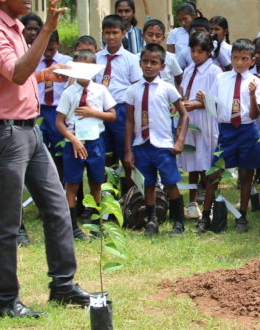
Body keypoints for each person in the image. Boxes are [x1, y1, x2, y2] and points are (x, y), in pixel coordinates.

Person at [0, 0, 90, 319]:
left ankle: (63, 286)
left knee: (56, 209)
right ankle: (6, 299)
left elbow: (18, 79)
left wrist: (44, 76)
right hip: (6, 134)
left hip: (29, 131)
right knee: (7, 222)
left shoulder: (15, 27)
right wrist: (49, 29)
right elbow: (17, 70)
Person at [200, 39, 260, 233]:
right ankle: (205, 216)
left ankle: (242, 216)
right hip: (226, 130)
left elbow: (255, 114)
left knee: (246, 174)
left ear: (252, 60)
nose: (239, 63)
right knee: (215, 173)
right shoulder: (221, 78)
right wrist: (203, 100)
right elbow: (212, 105)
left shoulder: (255, 81)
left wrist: (252, 96)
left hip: (247, 130)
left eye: (244, 59)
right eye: (235, 58)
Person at [124, 43, 189, 236]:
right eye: (145, 61)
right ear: (140, 63)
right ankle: (152, 220)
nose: (149, 65)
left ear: (162, 66)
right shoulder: (132, 90)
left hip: (163, 145)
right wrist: (128, 150)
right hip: (142, 145)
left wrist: (180, 140)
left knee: (171, 183)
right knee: (148, 184)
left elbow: (184, 115)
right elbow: (128, 121)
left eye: (154, 62)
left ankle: (179, 222)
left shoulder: (167, 88)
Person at [56, 50, 117, 240]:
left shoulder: (100, 91)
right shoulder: (69, 92)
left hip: (94, 142)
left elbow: (113, 115)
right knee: (72, 184)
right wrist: (72, 139)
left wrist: (94, 113)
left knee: (96, 183)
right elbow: (59, 121)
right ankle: (72, 227)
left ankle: (96, 225)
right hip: (74, 143)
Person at [178, 32, 223, 226]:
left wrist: (197, 104)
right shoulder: (189, 69)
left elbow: (215, 102)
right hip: (189, 119)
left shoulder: (214, 72)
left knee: (206, 160)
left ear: (209, 52)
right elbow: (183, 91)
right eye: (193, 51)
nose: (195, 55)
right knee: (192, 159)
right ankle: (192, 202)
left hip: (205, 119)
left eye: (200, 51)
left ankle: (208, 203)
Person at [95, 14, 141, 178]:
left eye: (115, 32)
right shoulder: (97, 57)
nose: (111, 36)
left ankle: (128, 193)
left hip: (121, 109)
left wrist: (134, 116)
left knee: (126, 153)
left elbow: (136, 87)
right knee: (104, 153)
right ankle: (107, 192)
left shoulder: (131, 59)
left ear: (123, 33)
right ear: (102, 34)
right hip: (100, 110)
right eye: (107, 33)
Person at [37, 30, 70, 166]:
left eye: (51, 48)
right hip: (39, 108)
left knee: (59, 147)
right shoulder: (34, 61)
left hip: (58, 109)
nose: (48, 53)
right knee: (39, 145)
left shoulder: (67, 62)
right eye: (44, 48)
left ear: (58, 44)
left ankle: (60, 181)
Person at [142, 19, 184, 86]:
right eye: (150, 35)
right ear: (143, 36)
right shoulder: (136, 58)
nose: (154, 39)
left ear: (163, 38)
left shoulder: (170, 58)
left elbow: (179, 79)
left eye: (158, 36)